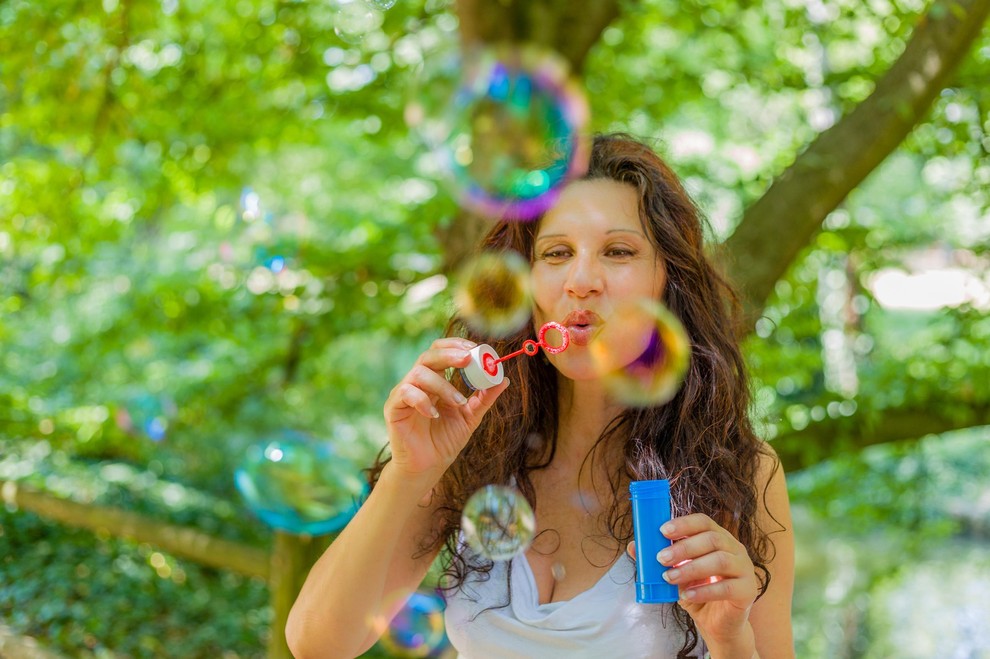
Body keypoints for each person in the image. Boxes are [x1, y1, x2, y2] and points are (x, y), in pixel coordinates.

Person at [286, 133, 795, 658]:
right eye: (556, 253)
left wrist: (732, 640)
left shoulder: (738, 471)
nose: (581, 280)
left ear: (667, 280)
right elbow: (318, 644)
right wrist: (410, 472)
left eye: (618, 251)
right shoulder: (471, 448)